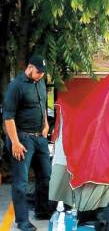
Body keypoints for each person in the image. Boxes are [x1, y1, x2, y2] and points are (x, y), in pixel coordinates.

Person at [3, 55, 51, 231]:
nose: (41, 76)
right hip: (22, 139)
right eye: (38, 72)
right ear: (30, 68)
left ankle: (42, 210)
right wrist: (15, 142)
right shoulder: (16, 86)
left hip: (40, 138)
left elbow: (43, 104)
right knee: (21, 181)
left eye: (43, 73)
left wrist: (45, 123)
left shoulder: (40, 82)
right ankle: (22, 220)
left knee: (45, 175)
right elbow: (8, 117)